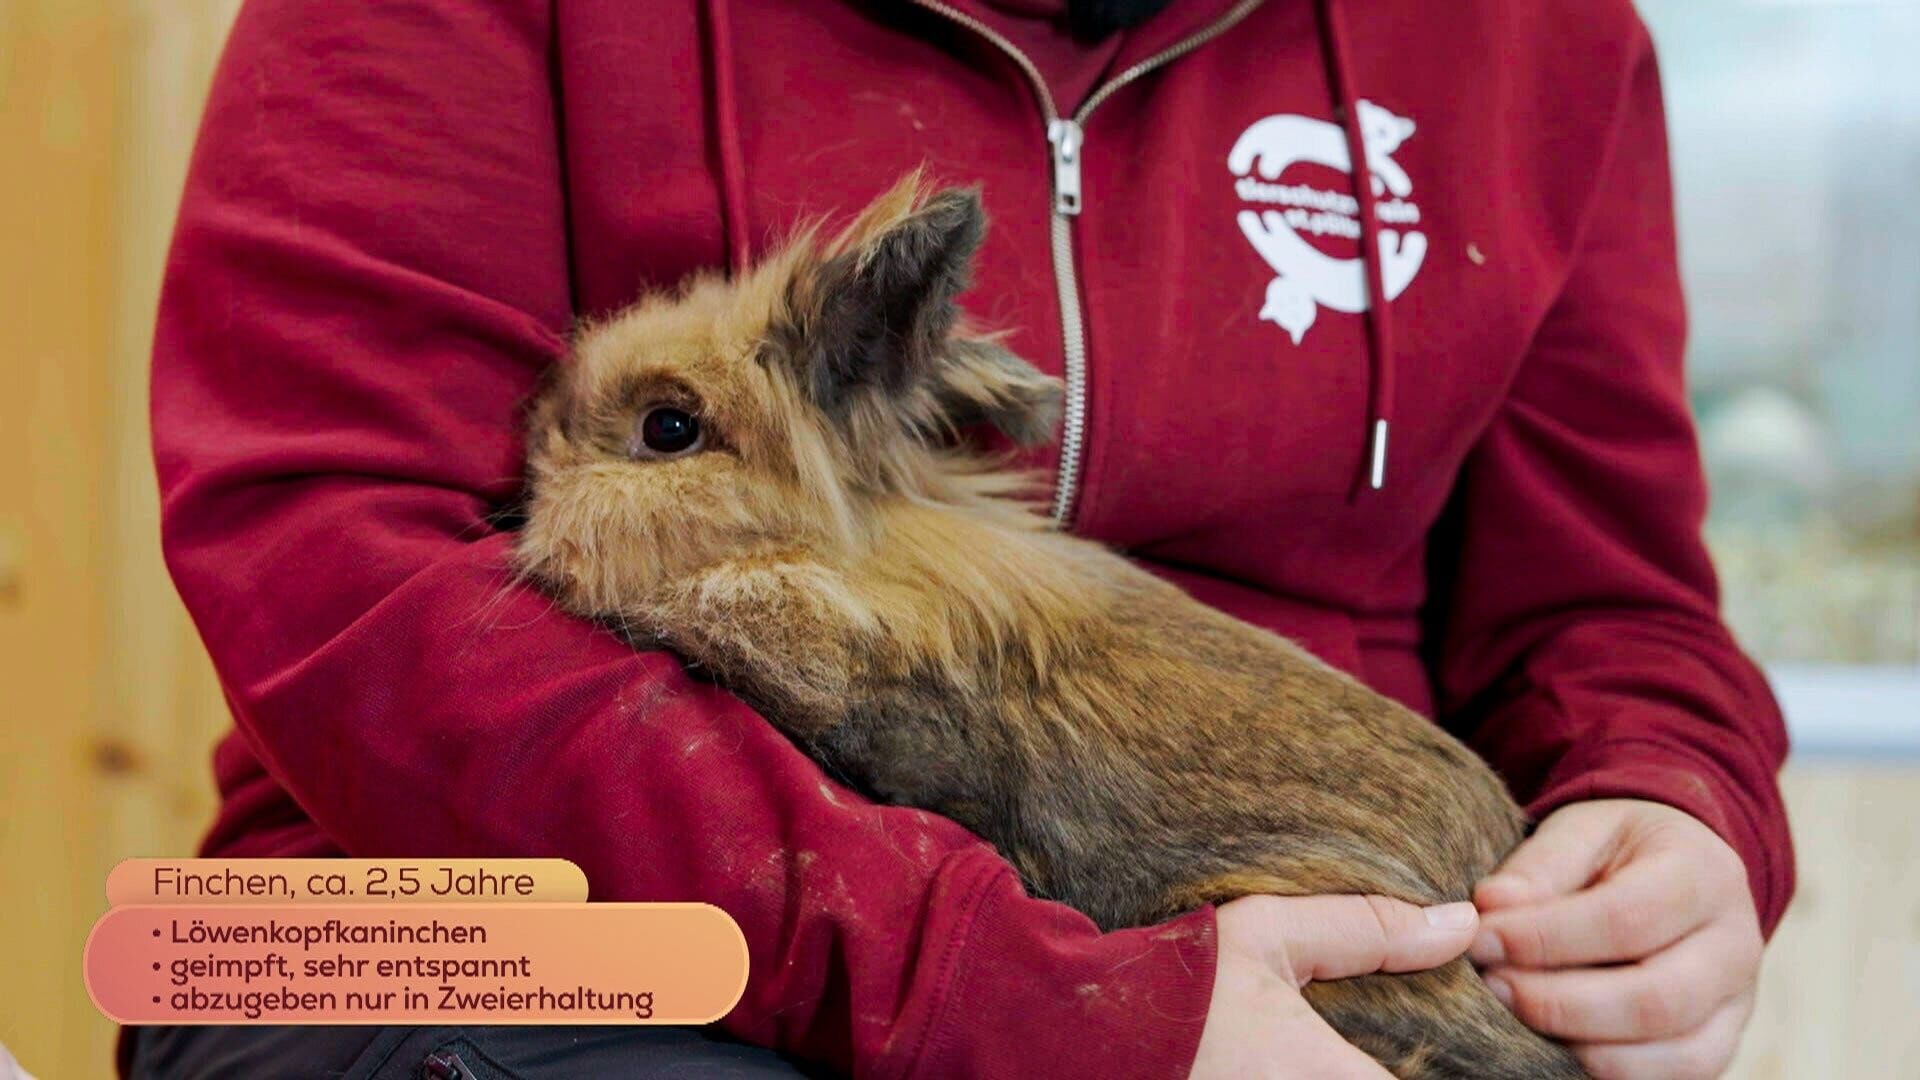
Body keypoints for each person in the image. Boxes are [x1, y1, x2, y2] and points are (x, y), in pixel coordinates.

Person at [138, 0, 1790, 1077]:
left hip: (1288, 952)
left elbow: (1609, 606)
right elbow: (333, 550)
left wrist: (1671, 807)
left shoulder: (1544, 42)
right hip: (477, 900)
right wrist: (1022, 997)